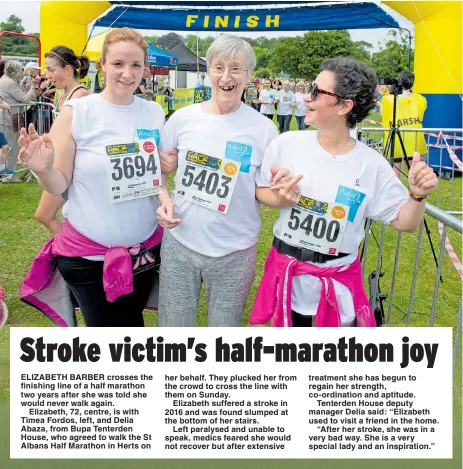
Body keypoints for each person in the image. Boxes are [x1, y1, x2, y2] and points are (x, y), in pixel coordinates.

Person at [249, 57, 438, 328]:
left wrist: (417, 195)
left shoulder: (372, 165)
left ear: (344, 106)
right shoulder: (286, 144)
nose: (306, 99)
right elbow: (261, 190)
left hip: (338, 288)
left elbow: (405, 222)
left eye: (316, 92)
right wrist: (278, 198)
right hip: (289, 283)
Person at [18, 27, 173, 327]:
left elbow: (154, 177)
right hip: (88, 261)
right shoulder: (78, 111)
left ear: (145, 68)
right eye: (118, 64)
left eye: (136, 65)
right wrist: (44, 169)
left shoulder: (153, 112)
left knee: (131, 326)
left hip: (143, 254)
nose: (127, 73)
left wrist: (164, 199)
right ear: (102, 64)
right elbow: (59, 183)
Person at [157, 33, 298, 327]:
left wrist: (281, 197)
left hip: (235, 250)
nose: (226, 76)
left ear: (249, 74)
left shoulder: (264, 129)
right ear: (208, 71)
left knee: (225, 331)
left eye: (236, 68)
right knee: (173, 327)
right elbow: (160, 170)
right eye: (218, 67)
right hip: (181, 242)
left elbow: (263, 191)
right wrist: (163, 196)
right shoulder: (181, 119)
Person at [34, 46, 91, 234]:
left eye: (51, 69)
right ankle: (72, 248)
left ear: (67, 70)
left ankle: (73, 249)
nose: (47, 74)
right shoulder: (63, 93)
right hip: (60, 165)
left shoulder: (80, 95)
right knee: (47, 215)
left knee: (44, 215)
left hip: (70, 168)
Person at [381, 72, 427, 177]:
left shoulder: (388, 99)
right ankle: (416, 193)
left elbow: (384, 113)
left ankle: (396, 194)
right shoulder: (421, 99)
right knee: (416, 177)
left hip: (395, 141)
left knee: (394, 177)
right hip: (415, 142)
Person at [0, 60, 38, 173]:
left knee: (6, 145)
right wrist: (33, 86)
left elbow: (19, 95)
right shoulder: (10, 83)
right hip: (10, 117)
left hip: (5, 116)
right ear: (16, 71)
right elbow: (25, 99)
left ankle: (4, 170)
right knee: (12, 146)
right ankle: (9, 174)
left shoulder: (3, 79)